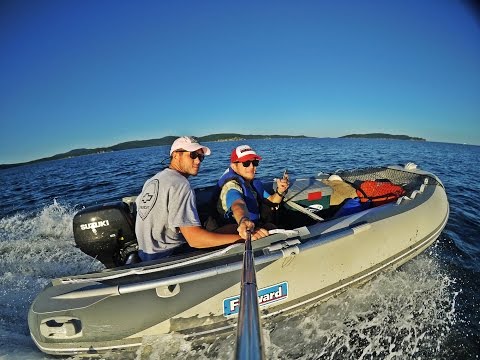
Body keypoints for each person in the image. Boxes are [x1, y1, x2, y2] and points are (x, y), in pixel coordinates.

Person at [135, 136, 268, 262]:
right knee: (243, 236)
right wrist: (244, 240)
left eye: (201, 157)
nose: (198, 161)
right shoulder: (180, 185)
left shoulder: (153, 181)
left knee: (232, 227)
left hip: (146, 254)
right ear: (176, 155)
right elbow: (194, 240)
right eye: (192, 155)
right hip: (170, 255)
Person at [207, 144, 290, 234]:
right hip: (237, 231)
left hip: (254, 225)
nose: (251, 167)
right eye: (245, 163)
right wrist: (243, 220)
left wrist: (280, 191)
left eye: (255, 163)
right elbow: (237, 204)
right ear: (234, 166)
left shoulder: (251, 183)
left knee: (272, 226)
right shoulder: (231, 186)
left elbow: (272, 200)